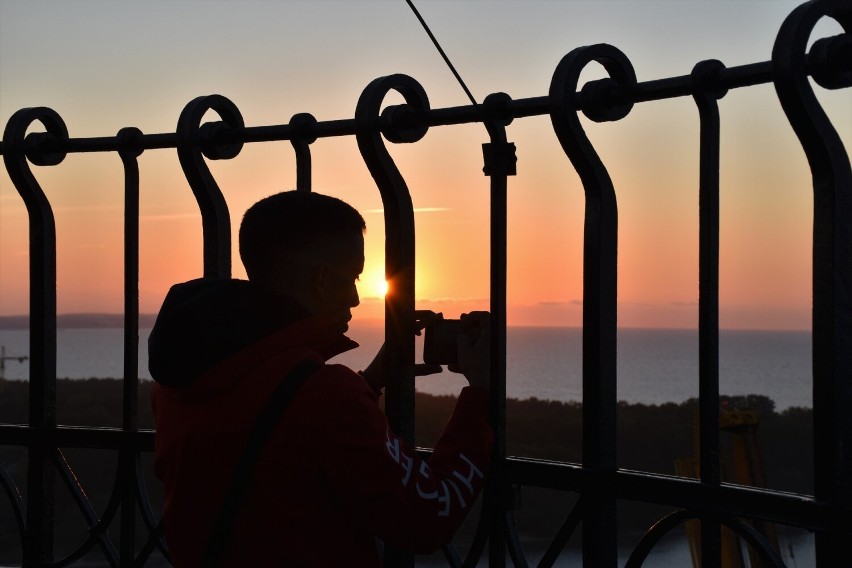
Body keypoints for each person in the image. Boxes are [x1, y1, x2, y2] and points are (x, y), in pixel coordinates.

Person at [148, 190, 493, 567]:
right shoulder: (326, 397)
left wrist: (374, 378)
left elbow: (280, 431)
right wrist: (480, 395)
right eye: (354, 277)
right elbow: (428, 515)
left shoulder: (178, 381)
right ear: (324, 280)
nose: (358, 298)